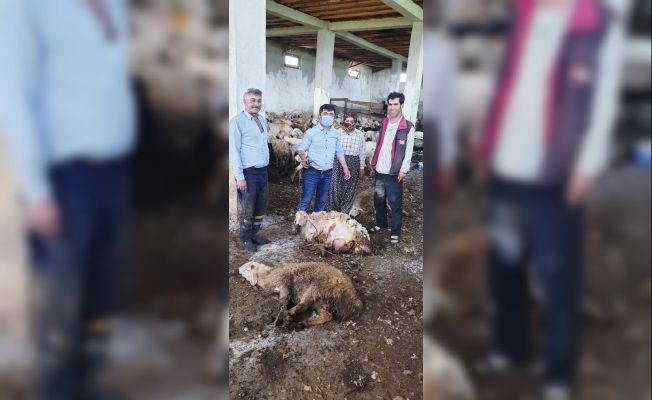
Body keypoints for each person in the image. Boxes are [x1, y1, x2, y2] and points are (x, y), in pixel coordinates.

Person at [473, 0, 624, 399]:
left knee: (558, 279)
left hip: (555, 176)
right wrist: (487, 146)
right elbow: (505, 87)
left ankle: (559, 375)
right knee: (505, 269)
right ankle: (511, 348)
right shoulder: (523, 16)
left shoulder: (595, 24)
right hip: (508, 169)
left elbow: (604, 104)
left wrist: (586, 166)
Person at [0, 1, 135, 399]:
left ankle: (88, 382)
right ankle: (59, 389)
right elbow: (15, 98)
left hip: (114, 173)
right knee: (63, 297)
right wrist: (36, 191)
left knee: (103, 293)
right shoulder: (25, 8)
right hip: (64, 178)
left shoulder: (114, 7)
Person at [293, 104, 351, 233]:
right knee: (306, 199)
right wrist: (303, 157)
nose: (328, 116)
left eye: (331, 114)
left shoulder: (335, 134)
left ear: (334, 117)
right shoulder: (311, 132)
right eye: (325, 114)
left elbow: (339, 152)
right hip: (312, 172)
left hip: (327, 174)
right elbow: (301, 148)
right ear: (319, 116)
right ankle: (298, 224)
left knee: (321, 201)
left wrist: (345, 168)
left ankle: (316, 225)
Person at [369, 92, 416, 244]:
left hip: (394, 172)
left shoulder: (407, 127)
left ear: (402, 105)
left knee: (395, 203)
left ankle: (395, 231)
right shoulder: (384, 123)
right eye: (390, 104)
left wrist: (403, 169)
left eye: (396, 104)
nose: (392, 107)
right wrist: (374, 162)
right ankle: (381, 223)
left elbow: (408, 151)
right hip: (380, 170)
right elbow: (379, 145)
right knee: (379, 199)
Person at [229, 88, 271, 253]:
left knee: (261, 206)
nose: (256, 104)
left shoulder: (261, 119)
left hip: (263, 172)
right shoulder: (237, 122)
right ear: (245, 102)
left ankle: (254, 234)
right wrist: (239, 177)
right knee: (248, 208)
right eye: (252, 100)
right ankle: (246, 238)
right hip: (248, 173)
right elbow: (234, 151)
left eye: (259, 100)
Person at [324, 111, 366, 215]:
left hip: (353, 162)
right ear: (343, 121)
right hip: (338, 162)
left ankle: (345, 213)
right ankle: (330, 211)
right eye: (347, 120)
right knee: (335, 185)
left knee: (350, 187)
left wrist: (361, 168)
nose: (349, 123)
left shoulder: (359, 135)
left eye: (352, 121)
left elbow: (362, 152)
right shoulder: (337, 133)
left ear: (356, 122)